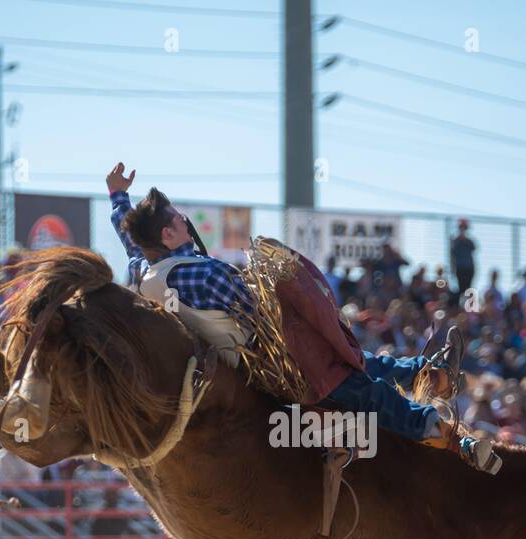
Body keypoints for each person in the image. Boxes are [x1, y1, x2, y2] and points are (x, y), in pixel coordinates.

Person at [102, 162, 500, 473]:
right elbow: (257, 308)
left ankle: (424, 375)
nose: (184, 222)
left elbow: (131, 241)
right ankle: (445, 434)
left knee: (360, 363)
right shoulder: (204, 273)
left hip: (240, 357)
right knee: (360, 388)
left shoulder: (146, 272)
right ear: (169, 236)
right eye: (176, 220)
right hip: (269, 362)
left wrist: (119, 197)